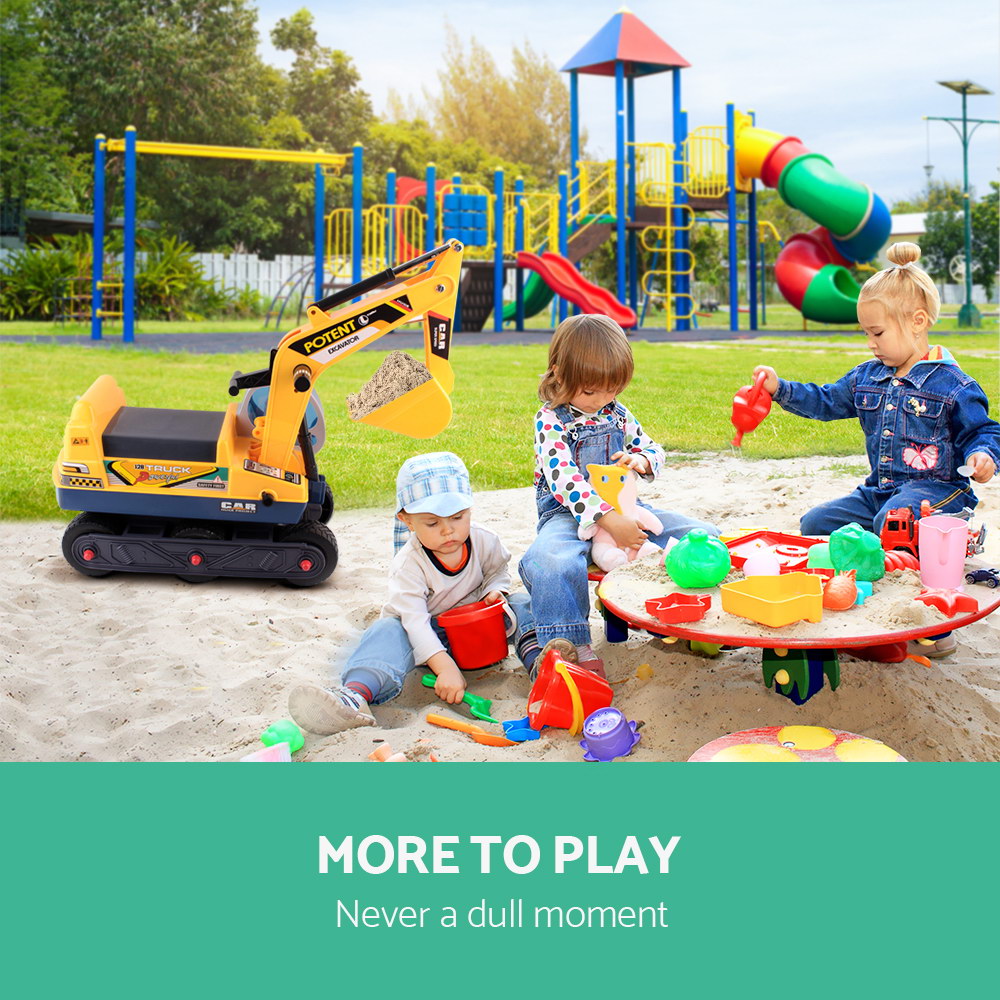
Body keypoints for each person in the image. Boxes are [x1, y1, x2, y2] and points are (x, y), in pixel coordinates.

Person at [752, 241, 999, 657]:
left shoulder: (953, 385)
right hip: (880, 490)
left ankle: (929, 623)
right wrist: (780, 389)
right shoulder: (868, 377)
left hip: (939, 494)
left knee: (894, 522)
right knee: (817, 523)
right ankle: (859, 583)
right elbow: (827, 400)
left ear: (917, 322)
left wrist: (984, 456)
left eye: (878, 332)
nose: (870, 343)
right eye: (866, 333)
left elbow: (983, 431)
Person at [518, 314, 720, 677]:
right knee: (550, 562)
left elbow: (654, 448)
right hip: (568, 515)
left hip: (628, 509)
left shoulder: (617, 413)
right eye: (590, 391)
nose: (602, 400)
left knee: (702, 535)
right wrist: (608, 520)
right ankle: (570, 646)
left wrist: (641, 460)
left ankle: (677, 614)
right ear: (560, 374)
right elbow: (564, 479)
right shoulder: (550, 420)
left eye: (612, 389)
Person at [288, 452, 541, 735]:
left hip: (477, 629)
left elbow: (498, 571)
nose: (448, 531)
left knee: (522, 602)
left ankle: (540, 665)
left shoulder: (485, 540)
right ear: (407, 520)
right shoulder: (409, 564)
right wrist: (443, 667)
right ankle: (355, 695)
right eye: (432, 523)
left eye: (458, 517)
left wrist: (495, 591)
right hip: (426, 634)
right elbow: (415, 622)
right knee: (385, 631)